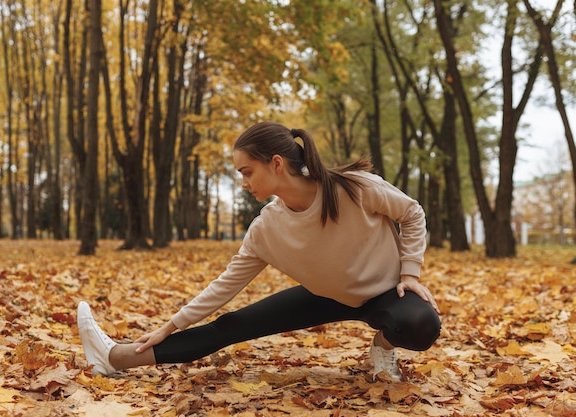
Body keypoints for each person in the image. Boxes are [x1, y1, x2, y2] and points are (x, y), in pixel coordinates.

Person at [77, 121, 441, 382]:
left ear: (277, 164)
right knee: (231, 326)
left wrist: (410, 274)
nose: (244, 182)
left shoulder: (355, 189)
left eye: (247, 171)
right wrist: (170, 325)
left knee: (421, 324)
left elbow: (411, 213)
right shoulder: (267, 227)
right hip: (325, 296)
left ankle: (382, 344)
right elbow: (226, 284)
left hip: (386, 294)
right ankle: (116, 357)